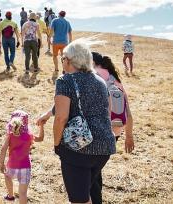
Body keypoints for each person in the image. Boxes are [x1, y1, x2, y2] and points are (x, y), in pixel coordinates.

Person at [36, 39, 116, 204]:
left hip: (78, 149)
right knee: (87, 193)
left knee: (79, 200)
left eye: (63, 58)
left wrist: (57, 144)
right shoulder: (100, 81)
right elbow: (107, 112)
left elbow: (61, 117)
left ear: (71, 61)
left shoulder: (64, 81)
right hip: (104, 148)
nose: (62, 60)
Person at [90, 51, 135, 204]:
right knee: (96, 170)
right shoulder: (116, 80)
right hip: (115, 130)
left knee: (90, 173)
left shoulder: (94, 75)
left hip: (98, 131)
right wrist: (129, 136)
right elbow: (128, 111)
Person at [0, 110, 44, 204]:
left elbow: (3, 149)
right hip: (25, 167)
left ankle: (10, 196)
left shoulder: (10, 136)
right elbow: (40, 138)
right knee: (23, 193)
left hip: (12, 165)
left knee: (7, 177)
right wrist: (42, 127)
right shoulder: (29, 136)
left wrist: (1, 163)